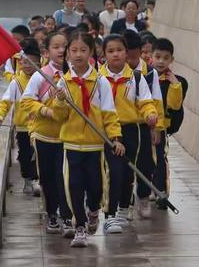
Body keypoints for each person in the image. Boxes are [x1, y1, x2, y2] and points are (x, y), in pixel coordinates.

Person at [51, 31, 125, 248]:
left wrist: (115, 138)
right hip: (72, 144)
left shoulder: (100, 81)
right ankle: (80, 227)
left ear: (92, 52)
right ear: (67, 54)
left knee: (96, 187)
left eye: (83, 50)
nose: (78, 55)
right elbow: (59, 116)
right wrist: (60, 102)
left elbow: (109, 113)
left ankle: (93, 211)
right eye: (73, 50)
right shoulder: (63, 82)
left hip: (95, 145)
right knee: (73, 186)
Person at [100, 34, 158, 234]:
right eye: (110, 51)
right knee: (112, 171)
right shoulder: (97, 78)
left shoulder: (136, 77)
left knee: (127, 172)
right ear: (104, 54)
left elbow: (145, 101)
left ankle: (124, 209)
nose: (116, 54)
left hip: (131, 131)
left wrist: (150, 115)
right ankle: (110, 214)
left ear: (127, 52)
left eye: (119, 50)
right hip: (107, 131)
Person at [21, 32, 75, 237]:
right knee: (49, 178)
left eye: (65, 46)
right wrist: (46, 111)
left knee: (68, 179)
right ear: (47, 51)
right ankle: (52, 214)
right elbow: (26, 101)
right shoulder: (40, 74)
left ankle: (68, 216)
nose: (61, 50)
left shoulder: (76, 75)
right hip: (45, 136)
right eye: (56, 47)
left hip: (70, 137)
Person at [124, 29, 163, 219]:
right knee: (125, 166)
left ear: (140, 52)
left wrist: (156, 127)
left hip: (144, 126)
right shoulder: (115, 72)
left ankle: (144, 197)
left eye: (133, 57)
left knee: (146, 164)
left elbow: (156, 101)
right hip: (123, 127)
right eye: (127, 56)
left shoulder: (150, 73)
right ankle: (127, 203)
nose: (130, 61)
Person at [0, 38, 41, 196]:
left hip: (40, 126)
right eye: (25, 63)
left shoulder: (43, 79)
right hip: (23, 127)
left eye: (32, 63)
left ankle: (36, 179)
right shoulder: (16, 82)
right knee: (25, 155)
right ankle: (28, 180)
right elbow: (6, 100)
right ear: (20, 62)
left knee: (38, 154)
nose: (28, 66)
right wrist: (0, 115)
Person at [148, 37, 188, 210]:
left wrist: (175, 86)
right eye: (158, 56)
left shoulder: (175, 81)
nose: (161, 61)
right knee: (145, 159)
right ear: (151, 57)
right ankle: (146, 188)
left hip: (161, 127)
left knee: (160, 160)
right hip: (144, 126)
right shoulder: (144, 77)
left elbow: (174, 106)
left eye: (166, 58)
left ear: (171, 60)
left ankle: (161, 192)